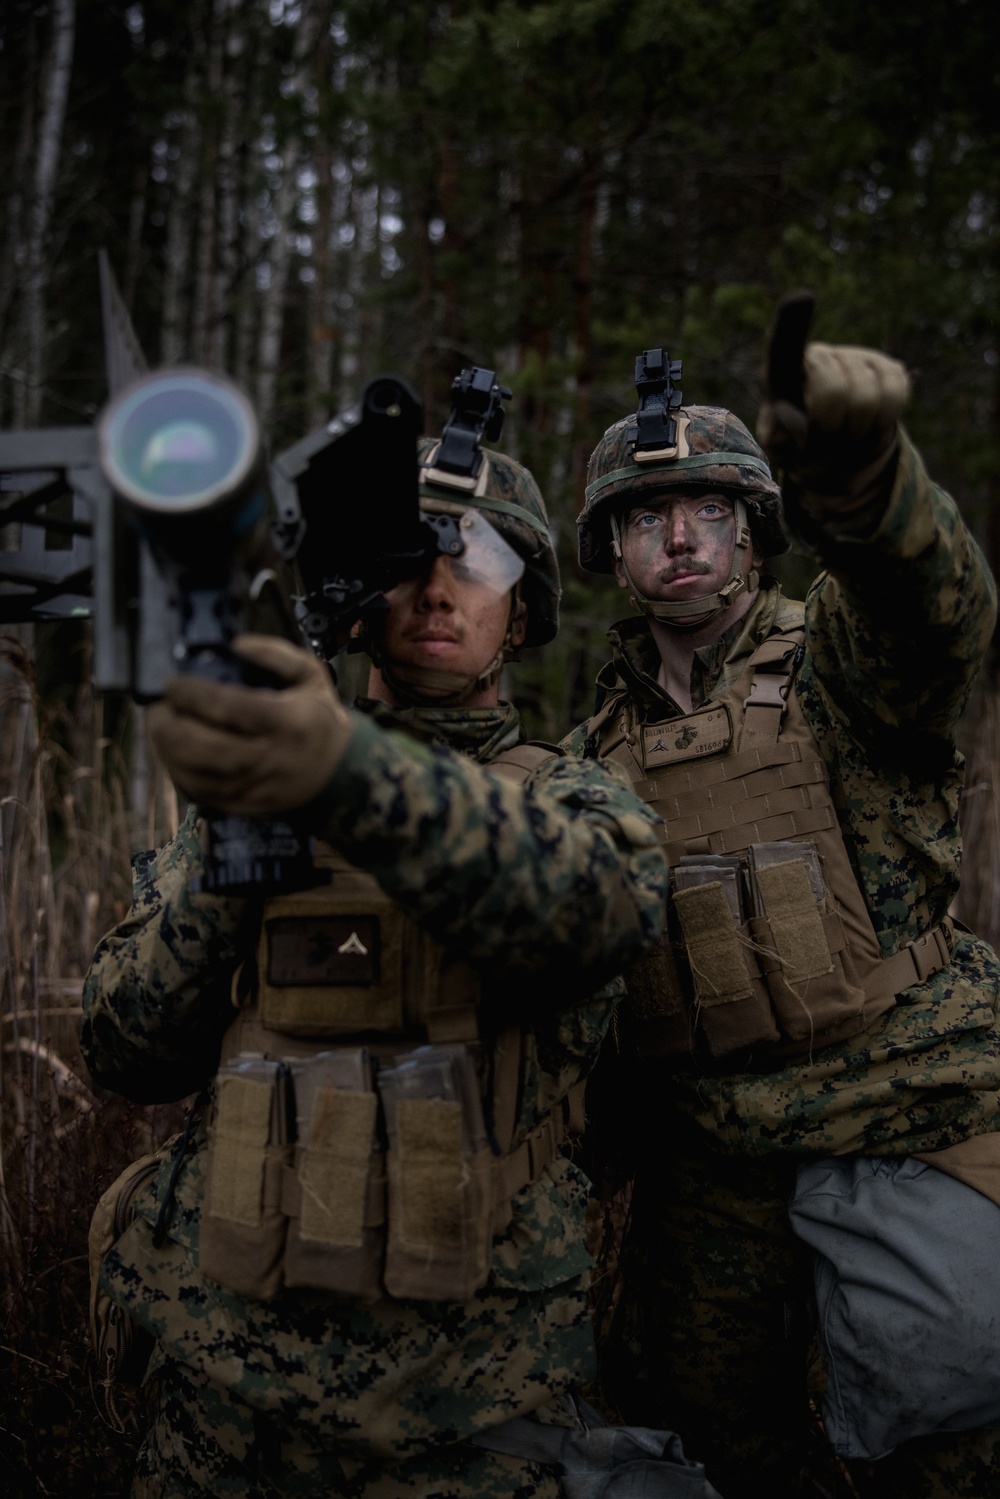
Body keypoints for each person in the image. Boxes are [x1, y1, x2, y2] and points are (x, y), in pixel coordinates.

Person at [82, 423, 667, 1499]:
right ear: (359, 602)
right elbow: (123, 1044)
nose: (440, 588)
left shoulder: (574, 797)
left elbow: (592, 913)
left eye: (480, 559)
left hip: (467, 1405)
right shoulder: (260, 783)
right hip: (224, 1390)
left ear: (522, 611)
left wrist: (344, 768)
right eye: (413, 555)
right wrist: (238, 833)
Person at [566, 337, 1000, 1497]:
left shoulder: (841, 663)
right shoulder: (581, 764)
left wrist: (869, 483)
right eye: (647, 515)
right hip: (711, 1142)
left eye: (708, 506)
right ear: (613, 548)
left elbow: (937, 609)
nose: (681, 536)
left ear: (752, 528)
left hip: (902, 1090)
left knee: (955, 1412)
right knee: (701, 1437)